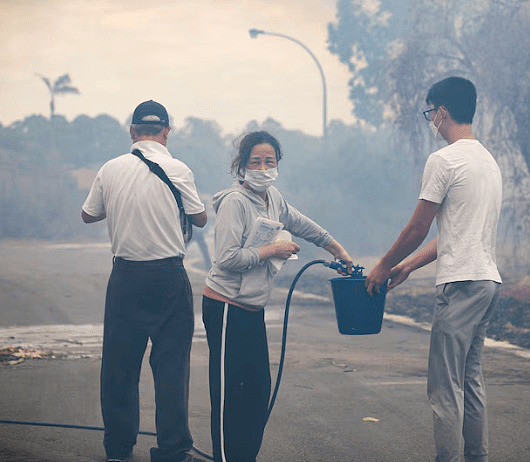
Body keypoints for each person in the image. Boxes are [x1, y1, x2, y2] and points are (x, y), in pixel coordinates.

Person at [365, 77, 502, 462]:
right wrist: (407, 266)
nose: (431, 121)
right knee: (470, 379)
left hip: (460, 284)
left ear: (441, 111)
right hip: (488, 281)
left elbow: (416, 228)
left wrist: (383, 266)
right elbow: (453, 235)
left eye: (430, 113)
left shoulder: (444, 160)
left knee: (444, 387)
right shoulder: (488, 162)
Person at [201, 131, 353, 462]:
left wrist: (337, 248)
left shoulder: (274, 199)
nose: (263, 167)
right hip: (225, 307)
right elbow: (227, 258)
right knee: (230, 394)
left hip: (252, 309)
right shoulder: (234, 203)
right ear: (242, 166)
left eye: (270, 161)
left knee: (257, 392)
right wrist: (274, 249)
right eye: (255, 161)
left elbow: (305, 227)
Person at [81, 100, 208, 462]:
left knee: (119, 368)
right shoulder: (179, 169)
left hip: (126, 278)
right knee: (171, 369)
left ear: (132, 131)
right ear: (167, 132)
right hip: (169, 277)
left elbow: (89, 214)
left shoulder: (110, 169)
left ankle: (119, 450)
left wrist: (121, 201)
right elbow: (199, 219)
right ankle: (171, 450)